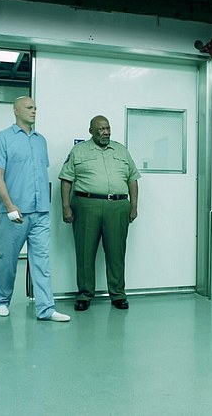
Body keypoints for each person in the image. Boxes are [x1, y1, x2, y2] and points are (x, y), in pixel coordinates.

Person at [0, 96, 70, 322]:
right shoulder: (3, 138)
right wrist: (9, 205)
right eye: (29, 107)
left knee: (41, 262)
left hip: (40, 211)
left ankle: (46, 309)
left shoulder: (41, 141)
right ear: (16, 111)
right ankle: (0, 301)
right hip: (15, 212)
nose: (33, 111)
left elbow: (41, 174)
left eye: (35, 108)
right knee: (8, 260)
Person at [58, 115, 140, 311]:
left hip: (117, 207)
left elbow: (132, 179)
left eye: (108, 128)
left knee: (116, 253)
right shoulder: (79, 151)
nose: (105, 132)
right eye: (101, 129)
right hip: (87, 206)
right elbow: (66, 179)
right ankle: (85, 295)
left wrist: (134, 206)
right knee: (85, 252)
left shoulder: (121, 150)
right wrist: (66, 206)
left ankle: (118, 294)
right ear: (91, 131)